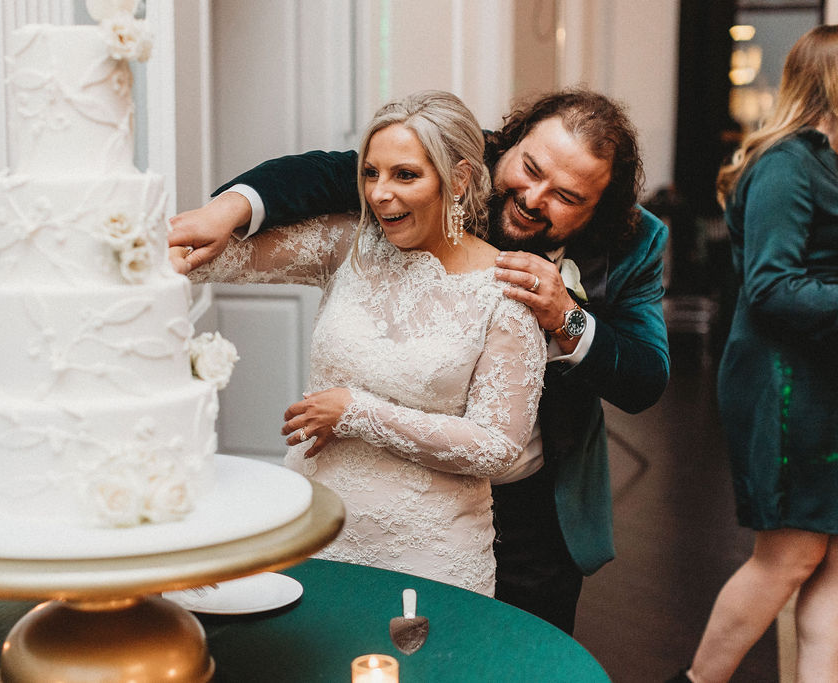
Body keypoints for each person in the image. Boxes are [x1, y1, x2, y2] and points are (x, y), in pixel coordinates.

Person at [170, 88, 670, 633]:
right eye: (529, 168)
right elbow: (324, 173)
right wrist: (223, 212)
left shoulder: (632, 243)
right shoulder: (441, 160)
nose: (532, 197)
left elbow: (644, 376)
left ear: (599, 210)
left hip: (531, 497)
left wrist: (565, 315)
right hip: (342, 505)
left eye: (566, 197)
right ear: (503, 149)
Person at [173, 90, 546, 596]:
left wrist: (357, 413)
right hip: (314, 530)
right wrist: (163, 239)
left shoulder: (507, 293)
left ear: (458, 179)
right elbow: (217, 259)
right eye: (372, 173)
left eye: (405, 175)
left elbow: (498, 448)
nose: (379, 193)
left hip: (428, 558)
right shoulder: (349, 246)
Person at [671, 26, 838, 683]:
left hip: (826, 377)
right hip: (786, 383)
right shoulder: (786, 164)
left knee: (829, 556)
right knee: (790, 554)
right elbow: (771, 288)